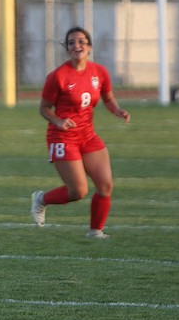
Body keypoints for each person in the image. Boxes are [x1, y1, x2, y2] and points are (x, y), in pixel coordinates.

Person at [31, 26, 130, 238]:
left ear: (89, 47)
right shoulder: (58, 76)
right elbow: (44, 108)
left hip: (88, 135)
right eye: (71, 43)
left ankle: (95, 231)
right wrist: (58, 121)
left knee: (105, 185)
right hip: (63, 137)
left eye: (81, 42)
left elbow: (108, 98)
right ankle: (41, 199)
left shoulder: (99, 72)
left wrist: (117, 110)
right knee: (78, 191)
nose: (77, 46)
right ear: (67, 49)